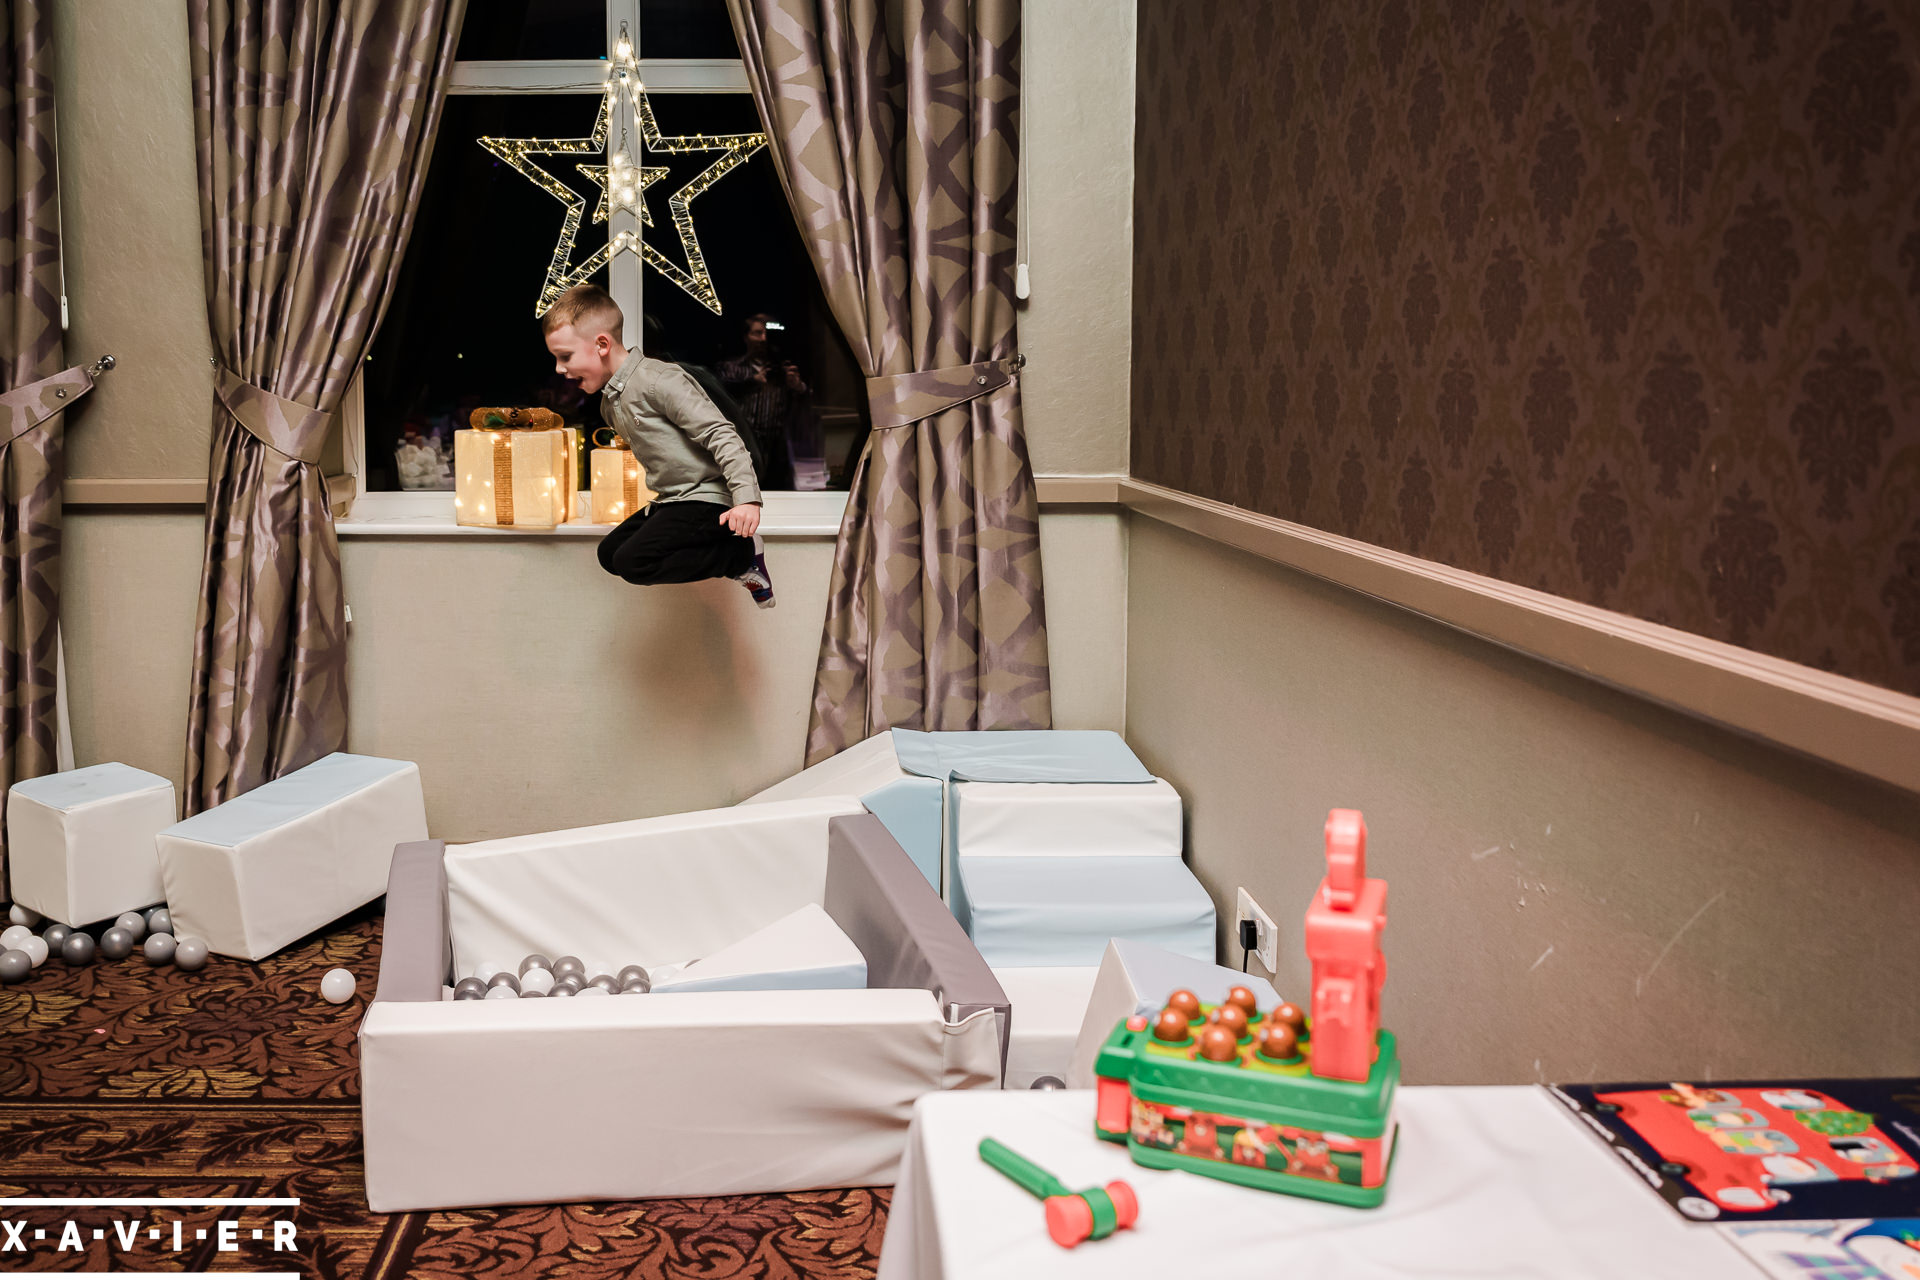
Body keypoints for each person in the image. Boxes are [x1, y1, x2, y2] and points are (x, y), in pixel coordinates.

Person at [542, 284, 775, 608]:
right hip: (673, 500)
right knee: (609, 555)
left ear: (602, 344)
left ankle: (739, 556)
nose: (559, 368)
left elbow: (721, 433)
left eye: (565, 357)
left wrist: (747, 499)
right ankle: (729, 552)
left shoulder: (658, 379)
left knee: (633, 561)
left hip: (706, 498)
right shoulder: (610, 404)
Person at [718, 314, 812, 491]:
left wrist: (798, 386)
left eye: (766, 334)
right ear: (746, 337)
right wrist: (753, 380)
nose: (763, 339)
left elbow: (808, 402)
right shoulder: (732, 367)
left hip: (778, 448)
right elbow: (721, 393)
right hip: (743, 443)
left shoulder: (782, 368)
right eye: (757, 333)